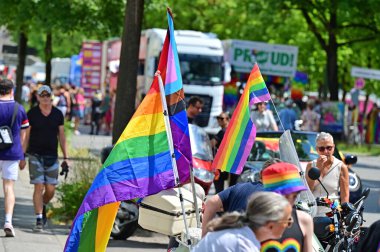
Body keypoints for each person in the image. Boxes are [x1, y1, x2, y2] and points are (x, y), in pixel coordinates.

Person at [202, 161, 313, 252]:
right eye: (283, 196)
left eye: (294, 196)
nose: (288, 204)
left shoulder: (304, 221)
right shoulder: (245, 231)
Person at [24, 85, 69, 231]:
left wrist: (66, 157)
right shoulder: (32, 113)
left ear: (51, 97)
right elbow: (26, 136)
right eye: (42, 95)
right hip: (35, 155)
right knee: (39, 185)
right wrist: (22, 155)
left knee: (50, 189)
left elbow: (61, 136)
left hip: (52, 156)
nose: (45, 98)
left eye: (47, 95)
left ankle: (42, 205)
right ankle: (38, 219)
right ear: (38, 97)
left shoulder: (58, 114)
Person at [193, 192, 292, 252]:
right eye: (288, 221)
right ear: (270, 225)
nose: (289, 225)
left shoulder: (243, 236)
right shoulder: (242, 245)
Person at [0, 79, 29, 237]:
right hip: (12, 153)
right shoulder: (19, 109)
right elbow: (23, 135)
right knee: (9, 187)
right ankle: (8, 221)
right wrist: (22, 154)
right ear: (12, 90)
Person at [305, 132, 349, 216]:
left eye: (329, 148)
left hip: (332, 212)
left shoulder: (341, 166)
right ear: (316, 149)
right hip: (313, 210)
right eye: (321, 149)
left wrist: (344, 215)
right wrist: (318, 169)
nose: (326, 151)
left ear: (334, 147)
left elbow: (345, 196)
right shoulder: (311, 165)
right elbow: (308, 191)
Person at [211, 112, 239, 193]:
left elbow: (212, 144)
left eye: (222, 118)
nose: (219, 120)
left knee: (219, 184)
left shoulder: (223, 131)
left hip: (223, 162)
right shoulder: (234, 130)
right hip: (232, 162)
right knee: (232, 186)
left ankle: (220, 199)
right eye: (218, 118)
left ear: (228, 119)